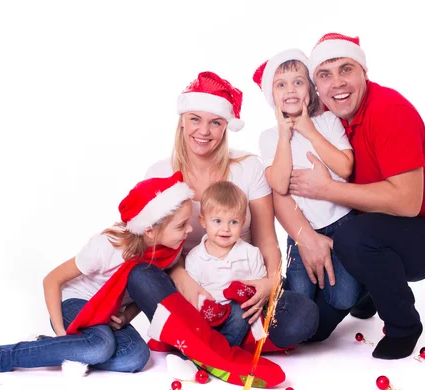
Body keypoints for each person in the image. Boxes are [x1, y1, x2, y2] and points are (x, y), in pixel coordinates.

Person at [280, 32, 425, 360]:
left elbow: (406, 203)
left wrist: (327, 189)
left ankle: (404, 325)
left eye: (346, 70)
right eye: (324, 75)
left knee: (354, 236)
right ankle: (366, 294)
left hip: (424, 236)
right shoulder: (325, 121)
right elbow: (283, 189)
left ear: (364, 72)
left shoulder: (390, 111)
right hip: (364, 231)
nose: (337, 84)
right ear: (315, 86)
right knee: (311, 330)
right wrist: (305, 236)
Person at [0, 171, 195, 377]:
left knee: (136, 358)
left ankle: (58, 349)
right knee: (100, 347)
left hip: (106, 317)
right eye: (182, 225)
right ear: (149, 230)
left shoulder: (166, 252)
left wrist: (125, 316)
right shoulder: (105, 247)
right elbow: (52, 279)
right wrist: (61, 331)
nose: (189, 229)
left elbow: (140, 295)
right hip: (77, 305)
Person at [133, 71, 318, 353]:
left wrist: (269, 282)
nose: (203, 131)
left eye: (215, 122)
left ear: (226, 126)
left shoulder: (248, 168)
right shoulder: (160, 173)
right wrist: (184, 281)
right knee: (140, 275)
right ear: (182, 121)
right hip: (186, 286)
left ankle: (196, 341)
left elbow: (266, 238)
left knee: (304, 315)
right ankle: (226, 341)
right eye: (195, 119)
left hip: (239, 289)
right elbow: (154, 248)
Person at [253, 48, 361, 310]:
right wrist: (284, 136)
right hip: (302, 230)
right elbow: (279, 185)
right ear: (272, 96)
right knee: (299, 295)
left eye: (298, 82)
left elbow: (345, 167)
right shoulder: (269, 138)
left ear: (311, 89)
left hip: (343, 222)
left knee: (343, 298)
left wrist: (309, 131)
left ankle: (362, 288)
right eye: (281, 84)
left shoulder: (327, 121)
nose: (290, 89)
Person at [185, 181, 282, 351]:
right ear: (203, 221)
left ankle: (222, 351)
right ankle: (199, 349)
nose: (226, 229)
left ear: (243, 222)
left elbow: (260, 286)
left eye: (234, 222)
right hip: (209, 313)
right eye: (217, 221)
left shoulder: (250, 253)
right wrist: (207, 308)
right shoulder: (195, 257)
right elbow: (192, 293)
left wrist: (253, 296)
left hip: (240, 313)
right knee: (189, 318)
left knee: (240, 311)